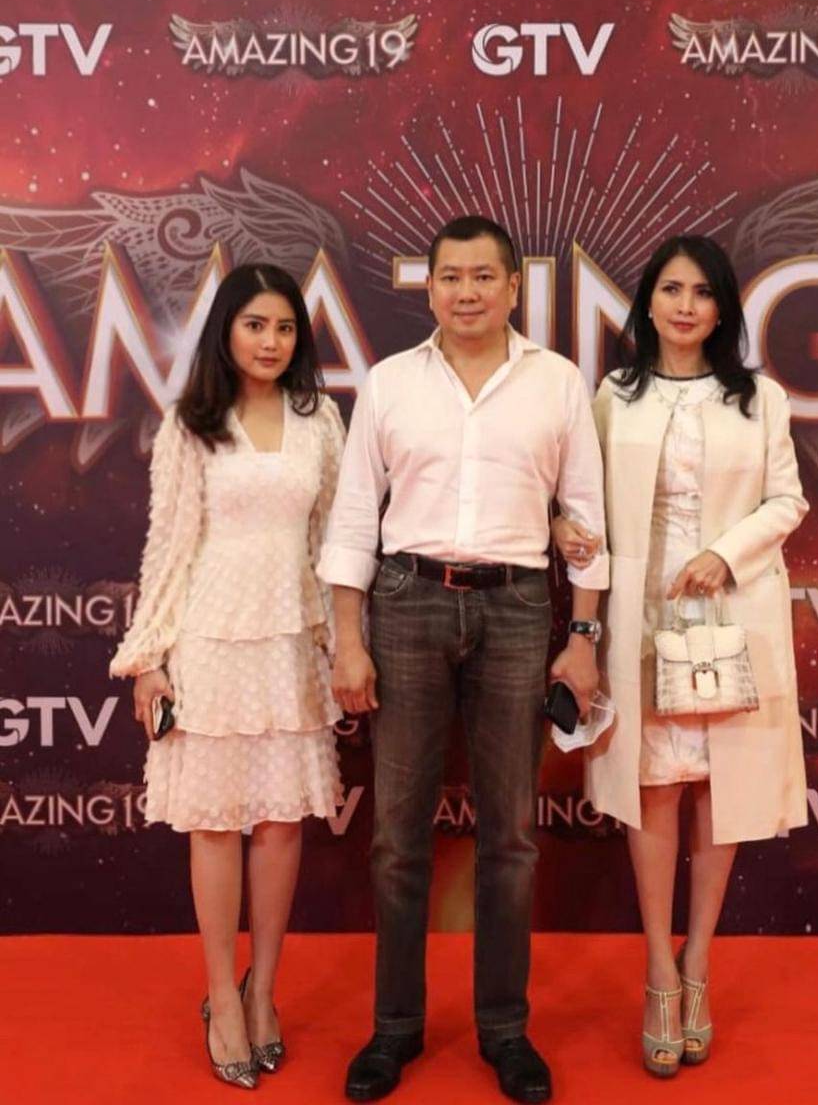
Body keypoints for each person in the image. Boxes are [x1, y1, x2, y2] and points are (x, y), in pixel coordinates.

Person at [319, 215, 608, 1104]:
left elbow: (587, 519)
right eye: (451, 277)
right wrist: (348, 639)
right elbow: (354, 518)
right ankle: (395, 1028)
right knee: (397, 836)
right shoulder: (390, 383)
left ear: (515, 287)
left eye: (485, 276)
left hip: (518, 607)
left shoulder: (557, 382)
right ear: (430, 286)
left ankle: (505, 1031)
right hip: (406, 602)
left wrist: (584, 639)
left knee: (510, 836)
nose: (468, 292)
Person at [555, 234, 808, 1078]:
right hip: (642, 614)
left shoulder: (759, 398)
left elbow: (787, 500)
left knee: (718, 788)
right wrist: (565, 527)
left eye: (702, 292)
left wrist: (726, 554)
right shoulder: (614, 395)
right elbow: (584, 499)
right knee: (654, 785)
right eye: (671, 289)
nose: (686, 306)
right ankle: (658, 972)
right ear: (648, 302)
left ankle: (699, 963)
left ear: (723, 307)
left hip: (729, 609)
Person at [110, 264, 345, 1089]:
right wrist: (149, 657)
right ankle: (220, 994)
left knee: (281, 824)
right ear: (226, 332)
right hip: (209, 639)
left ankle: (263, 992)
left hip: (291, 643)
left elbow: (331, 541)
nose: (270, 342)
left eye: (284, 328)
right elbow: (168, 544)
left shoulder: (321, 419)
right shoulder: (192, 424)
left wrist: (340, 643)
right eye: (255, 326)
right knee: (215, 824)